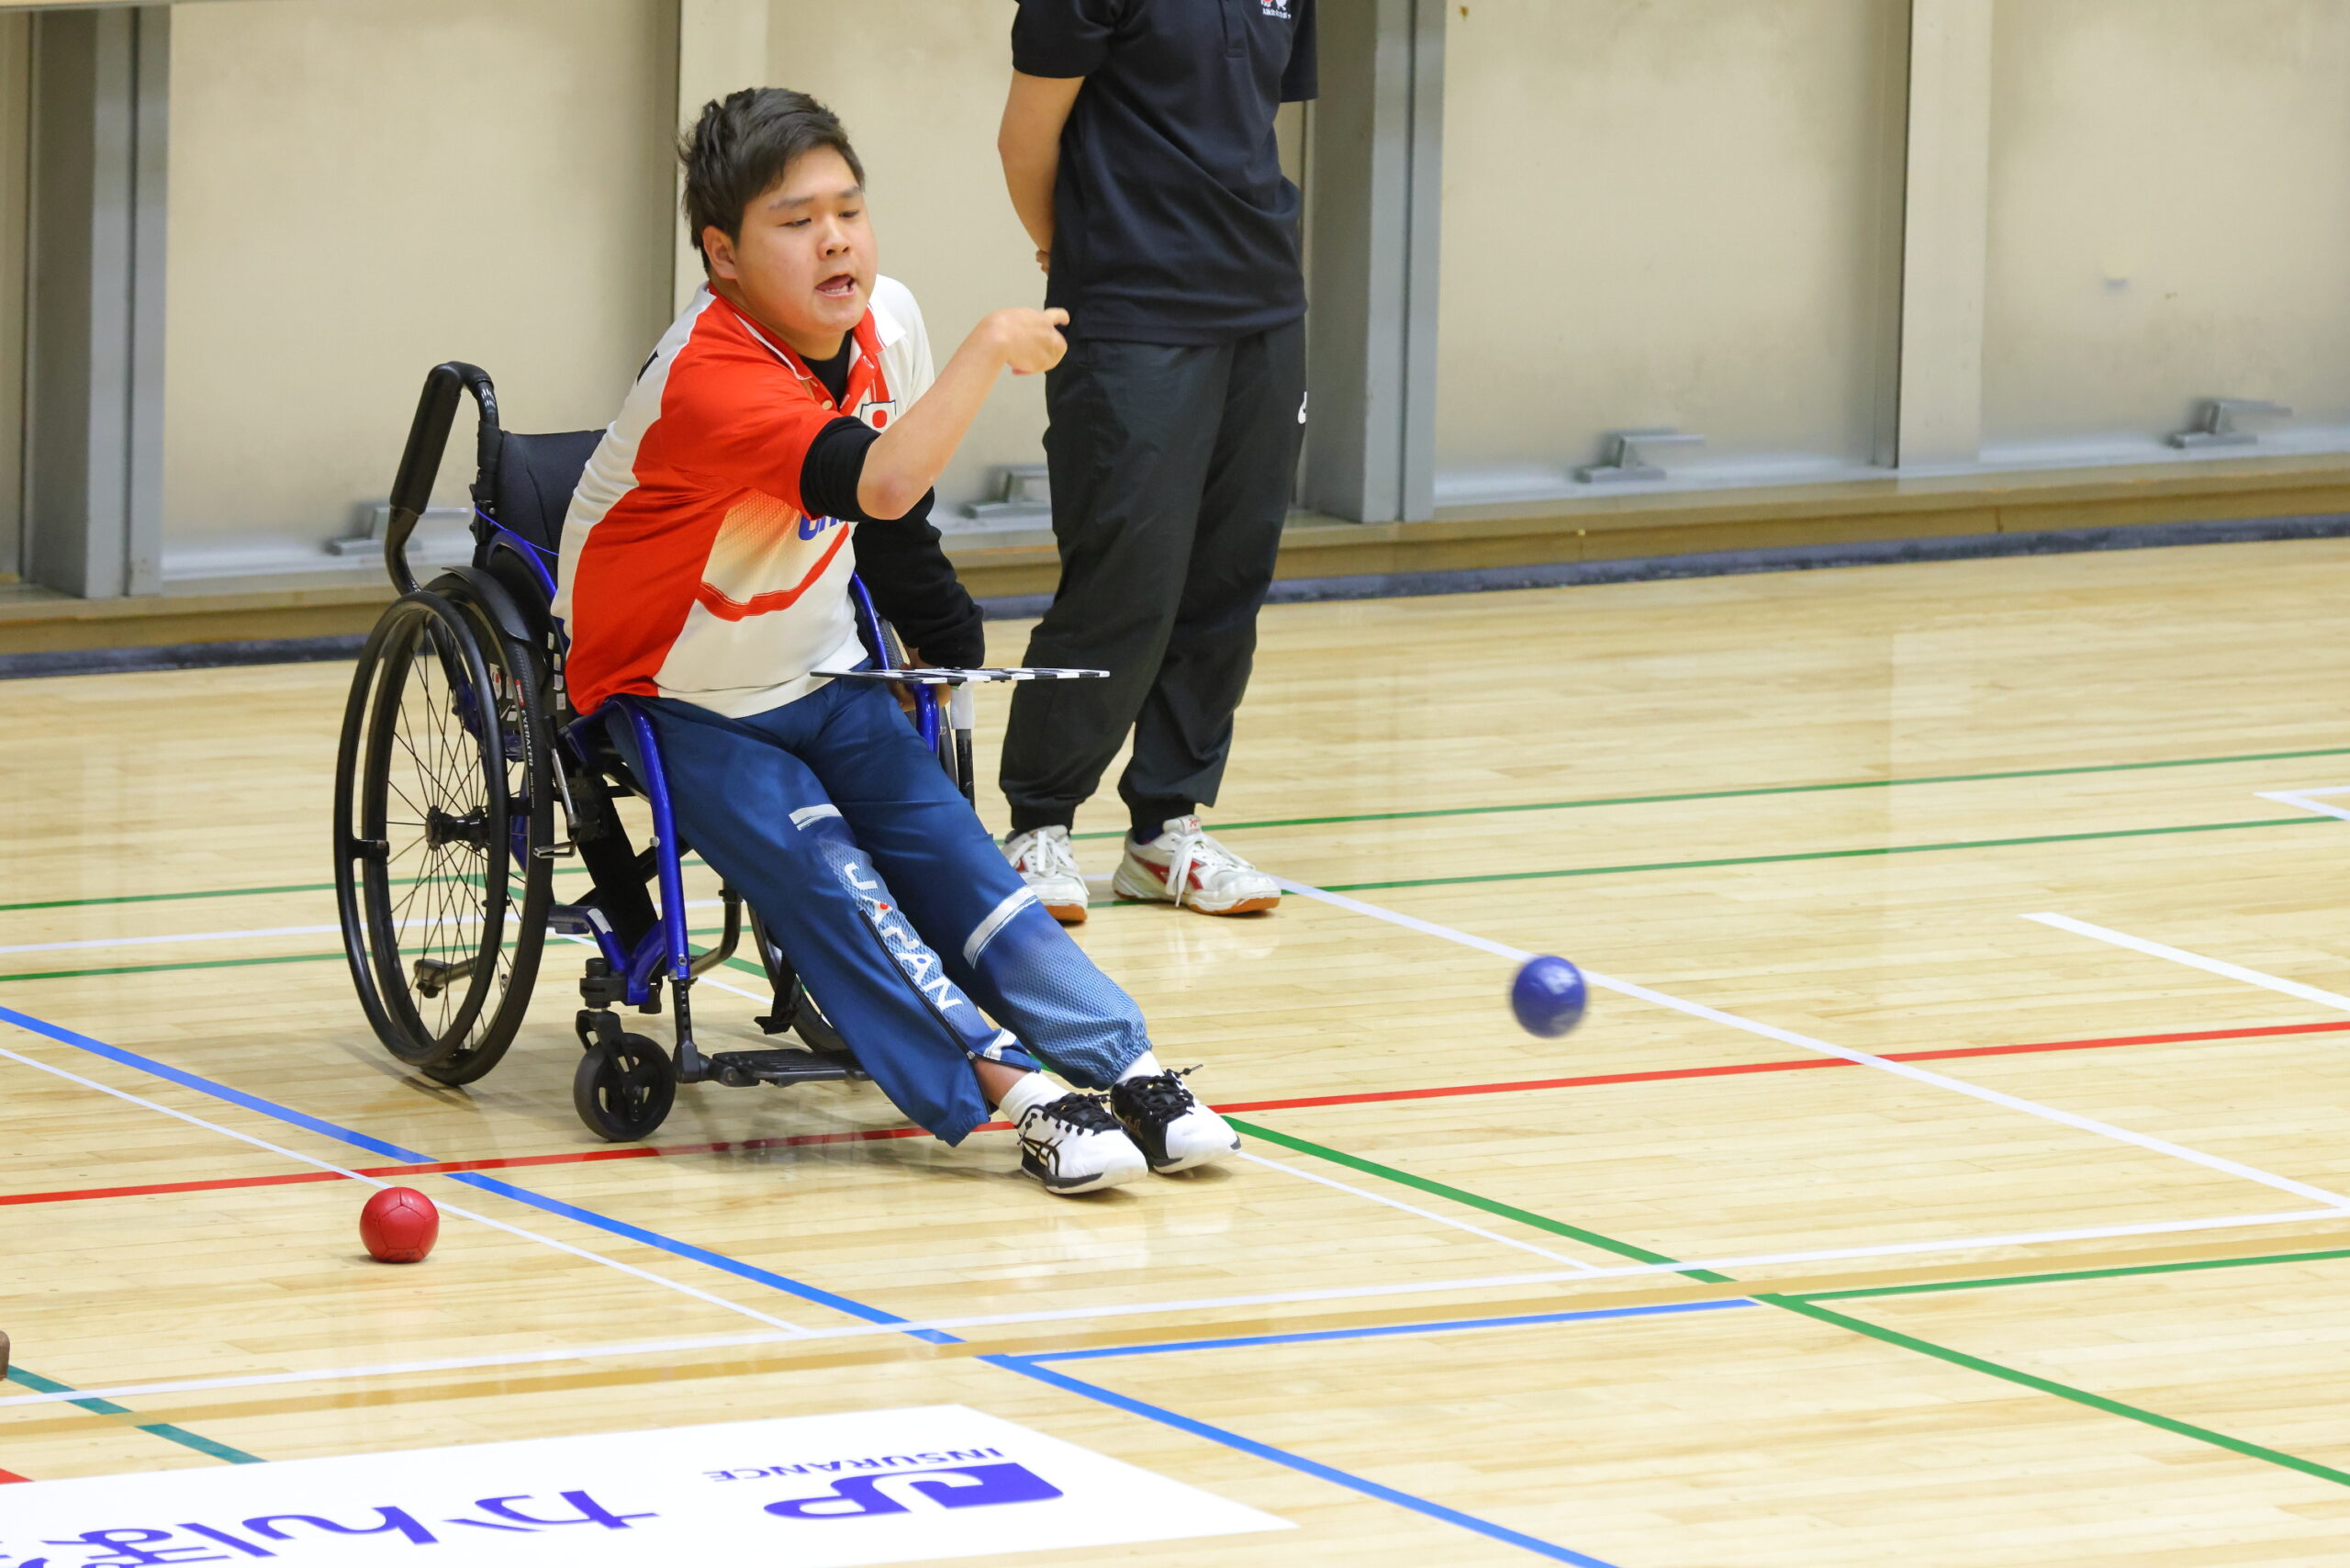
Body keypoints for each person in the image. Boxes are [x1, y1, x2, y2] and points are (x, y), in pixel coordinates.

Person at [552, 88, 1238, 1195]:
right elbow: (877, 475)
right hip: (671, 692)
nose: (835, 239)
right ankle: (1022, 1092)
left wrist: (947, 628)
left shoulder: (890, 321)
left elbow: (892, 521)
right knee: (836, 878)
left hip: (818, 667)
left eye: (849, 209)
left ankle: (1132, 1064)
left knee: (963, 862)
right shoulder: (709, 376)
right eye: (795, 219)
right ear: (721, 254)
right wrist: (990, 349)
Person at [990, 0, 1316, 924]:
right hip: (1130, 314)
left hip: (1263, 310)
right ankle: (1038, 823)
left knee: (1229, 574)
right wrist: (1079, 256)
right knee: (1124, 573)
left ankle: (1165, 824)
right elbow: (1025, 140)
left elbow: (1249, 117)